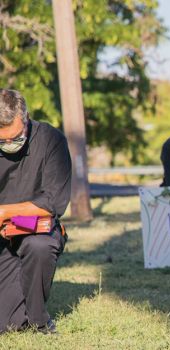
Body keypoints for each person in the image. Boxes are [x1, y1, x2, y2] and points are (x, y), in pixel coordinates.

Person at [0, 89, 71, 333]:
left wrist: (3, 212)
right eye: (2, 141)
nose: (10, 144)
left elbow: (53, 203)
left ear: (26, 118)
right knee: (7, 325)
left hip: (34, 230)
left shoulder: (52, 140)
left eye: (16, 136)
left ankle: (40, 320)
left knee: (39, 246)